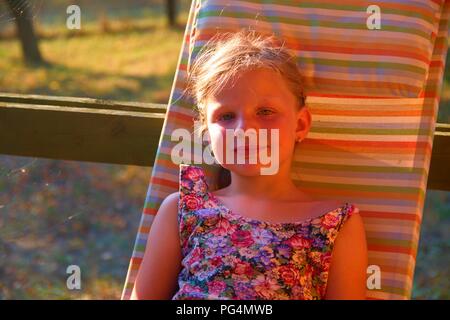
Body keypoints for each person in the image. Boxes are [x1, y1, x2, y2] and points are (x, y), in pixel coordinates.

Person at [131, 29, 367, 300]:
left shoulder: (335, 223)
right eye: (226, 116)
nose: (245, 129)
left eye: (265, 112)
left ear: (300, 124)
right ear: (206, 134)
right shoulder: (182, 210)